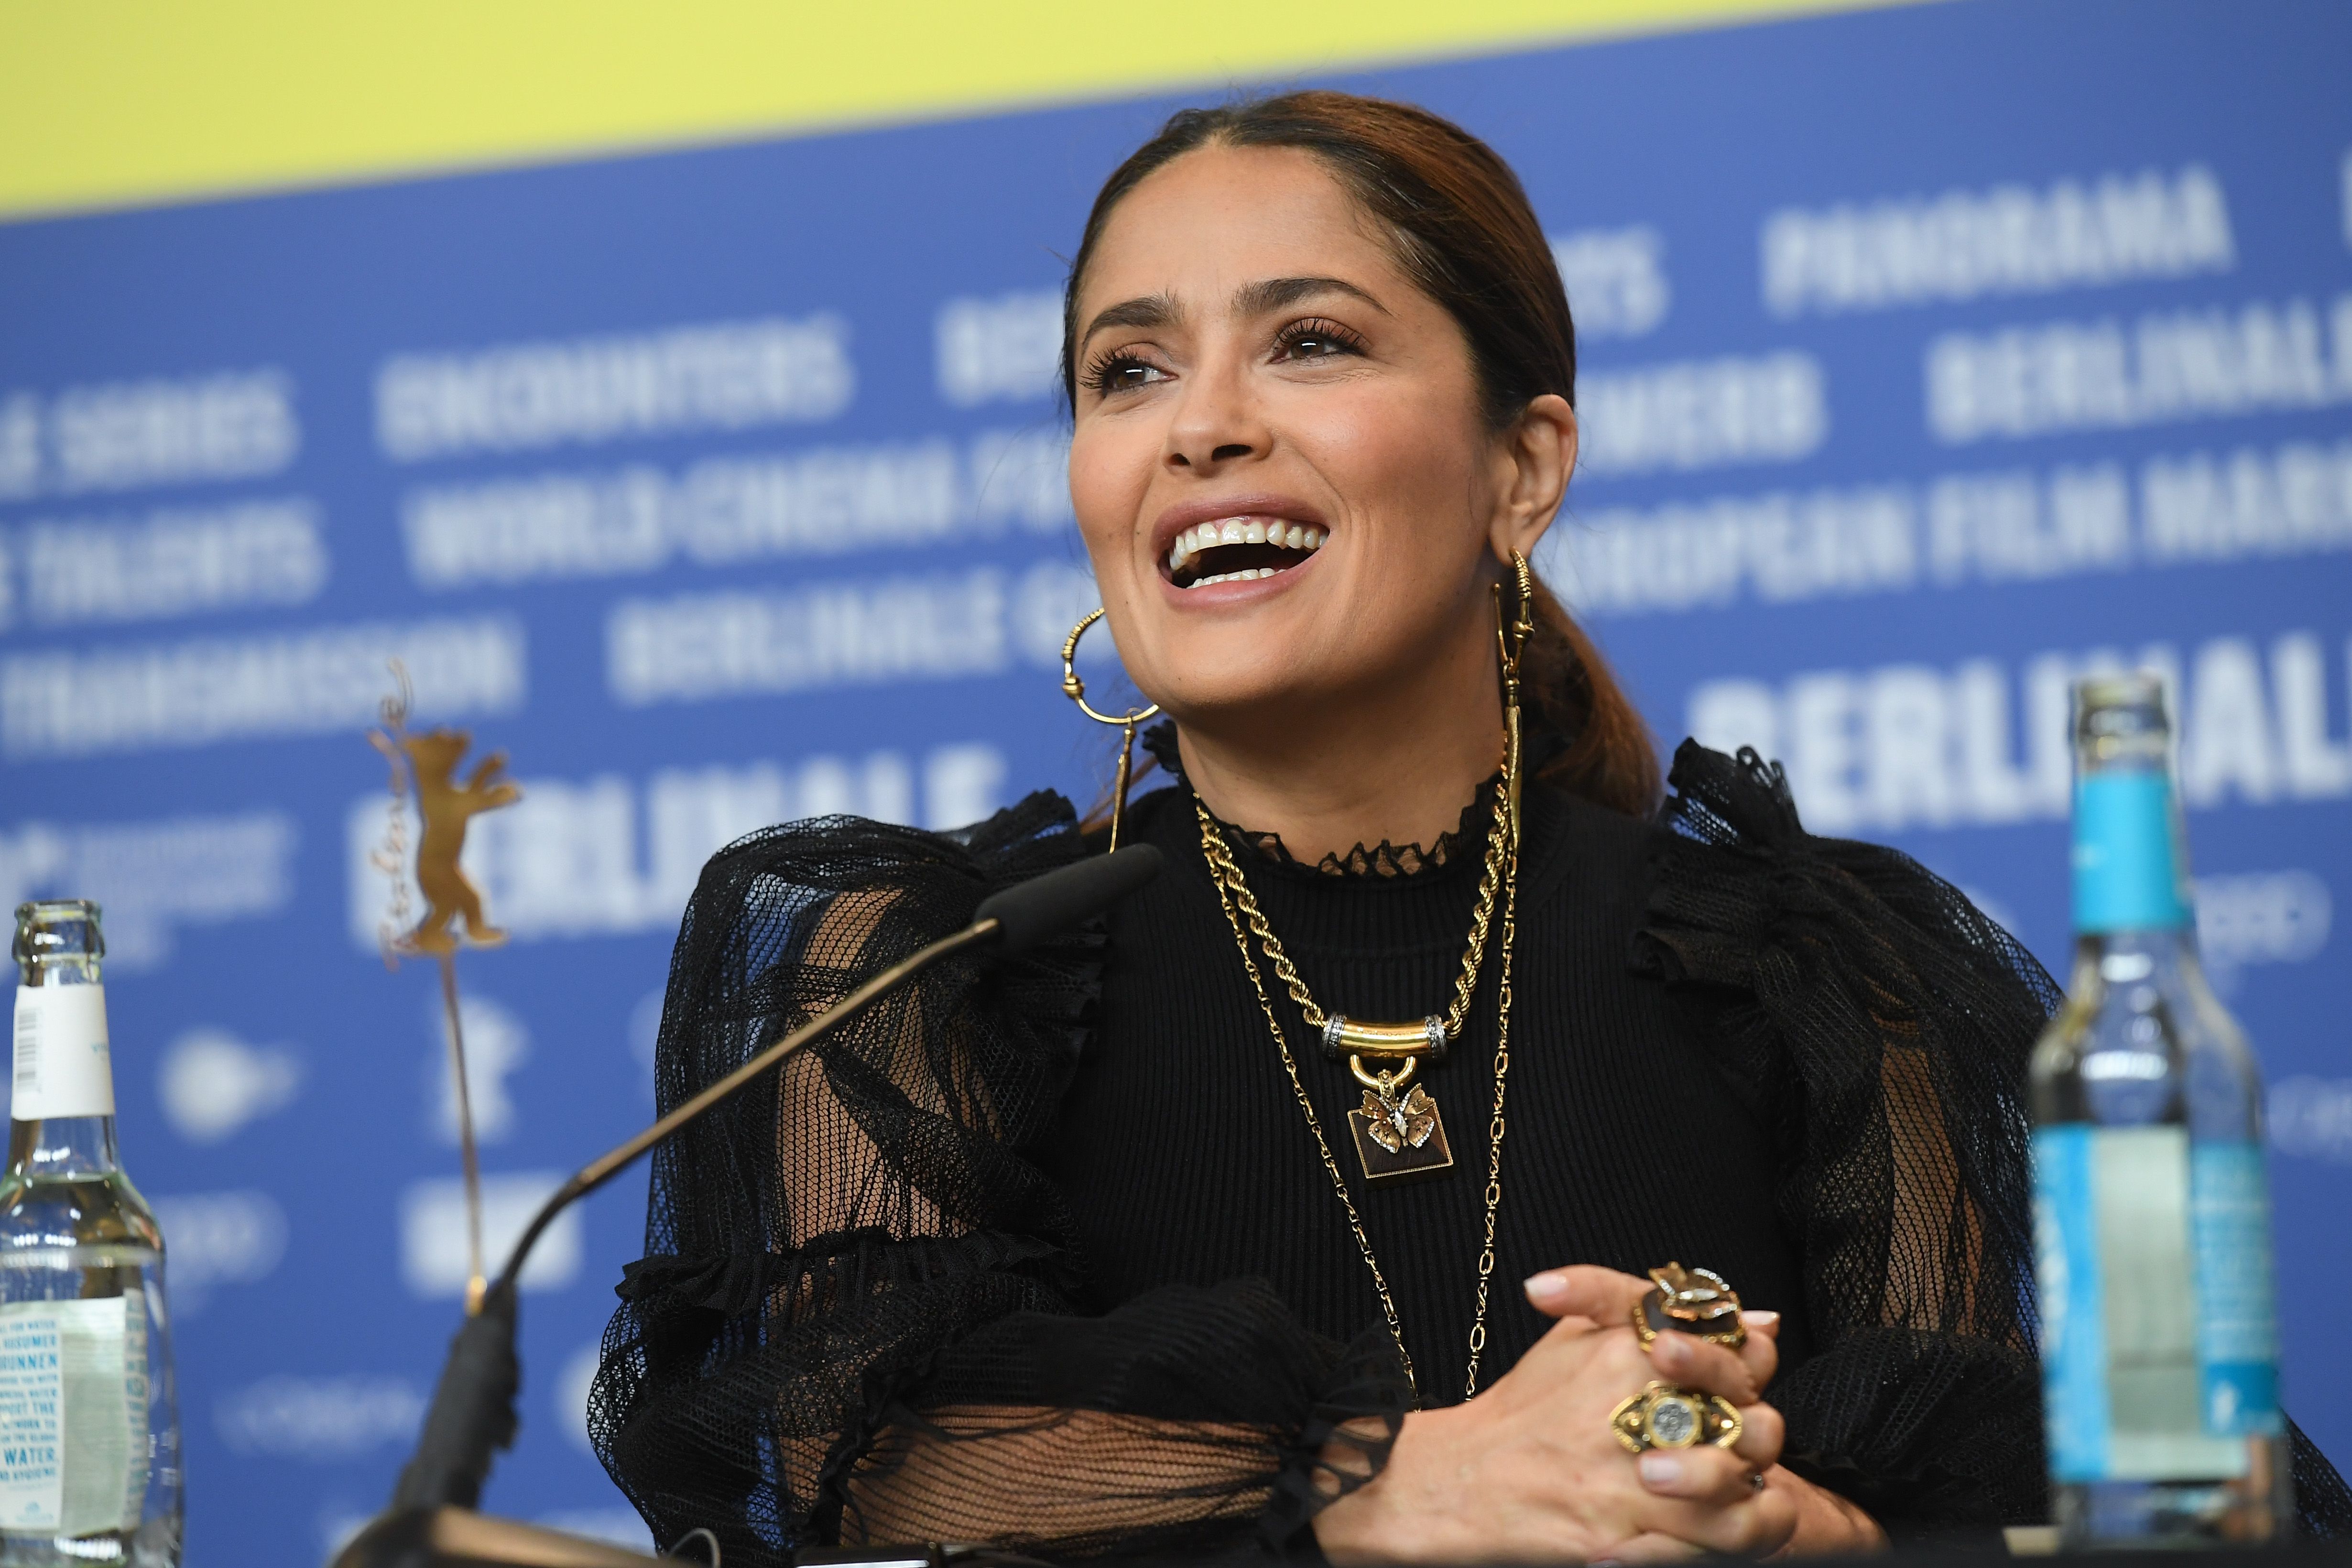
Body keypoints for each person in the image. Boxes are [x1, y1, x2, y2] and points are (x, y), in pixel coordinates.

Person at [590, 92, 2352, 1564]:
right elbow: (844, 1467)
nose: (1202, 424)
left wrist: (1808, 1524)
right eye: (1126, 372)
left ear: (1525, 469)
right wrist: (1395, 1484)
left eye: (1310, 343)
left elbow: (2119, 1494)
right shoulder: (922, 976)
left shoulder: (1816, 975)